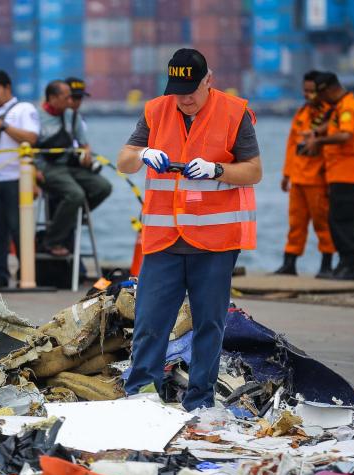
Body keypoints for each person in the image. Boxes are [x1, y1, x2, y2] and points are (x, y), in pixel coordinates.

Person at [117, 48, 261, 410]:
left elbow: (254, 171)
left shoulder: (234, 112)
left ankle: (199, 401)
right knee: (150, 322)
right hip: (164, 239)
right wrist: (143, 154)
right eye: (178, 92)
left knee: (209, 326)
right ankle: (141, 396)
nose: (184, 100)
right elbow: (124, 161)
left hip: (214, 243)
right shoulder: (156, 110)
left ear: (208, 80)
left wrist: (216, 170)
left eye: (191, 92)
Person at [0, 70, 40, 290]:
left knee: (19, 229)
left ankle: (27, 273)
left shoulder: (23, 109)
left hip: (16, 180)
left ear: (7, 88)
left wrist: (2, 125)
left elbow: (31, 138)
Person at [36, 79, 112, 258]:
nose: (70, 101)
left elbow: (85, 144)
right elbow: (28, 146)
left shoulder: (72, 116)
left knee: (103, 187)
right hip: (46, 168)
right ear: (52, 98)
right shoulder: (36, 116)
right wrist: (33, 170)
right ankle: (51, 240)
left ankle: (71, 216)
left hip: (68, 166)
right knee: (75, 194)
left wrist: (86, 155)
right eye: (66, 97)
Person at [304, 73, 354, 280]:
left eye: (322, 94)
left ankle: (352, 266)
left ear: (330, 89)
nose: (321, 100)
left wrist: (320, 142)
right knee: (336, 219)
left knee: (344, 220)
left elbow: (346, 134)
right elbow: (333, 127)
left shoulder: (348, 107)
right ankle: (345, 264)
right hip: (337, 174)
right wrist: (317, 132)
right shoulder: (339, 108)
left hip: (347, 173)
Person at [276, 70, 335, 277]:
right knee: (295, 223)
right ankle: (289, 263)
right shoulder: (301, 113)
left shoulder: (329, 114)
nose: (308, 95)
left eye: (312, 91)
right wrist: (286, 174)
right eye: (305, 90)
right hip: (298, 179)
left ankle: (327, 264)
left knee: (323, 223)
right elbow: (292, 145)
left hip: (318, 179)